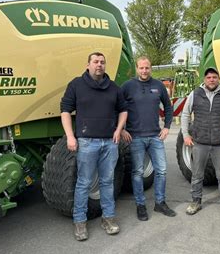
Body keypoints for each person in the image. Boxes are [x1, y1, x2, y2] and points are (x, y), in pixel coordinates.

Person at [60, 52, 127, 241]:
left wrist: (118, 129)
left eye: (102, 62)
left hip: (109, 143)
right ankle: (80, 222)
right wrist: (70, 136)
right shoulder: (76, 85)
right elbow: (65, 110)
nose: (99, 65)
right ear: (88, 64)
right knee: (84, 183)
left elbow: (123, 110)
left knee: (107, 182)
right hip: (87, 142)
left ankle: (108, 218)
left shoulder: (113, 88)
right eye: (95, 62)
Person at [180, 67, 220, 218]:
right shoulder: (195, 94)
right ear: (204, 79)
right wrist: (185, 135)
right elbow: (185, 114)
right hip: (199, 143)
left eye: (214, 77)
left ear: (219, 78)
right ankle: (196, 202)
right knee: (197, 175)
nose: (211, 80)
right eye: (208, 77)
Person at [121, 56, 176, 221]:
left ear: (151, 68)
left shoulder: (158, 85)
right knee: (137, 172)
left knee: (162, 170)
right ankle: (140, 205)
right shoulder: (127, 86)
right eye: (141, 68)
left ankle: (160, 203)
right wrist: (122, 129)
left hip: (155, 136)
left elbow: (168, 107)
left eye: (147, 68)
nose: (144, 71)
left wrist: (167, 127)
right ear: (136, 68)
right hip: (135, 137)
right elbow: (117, 107)